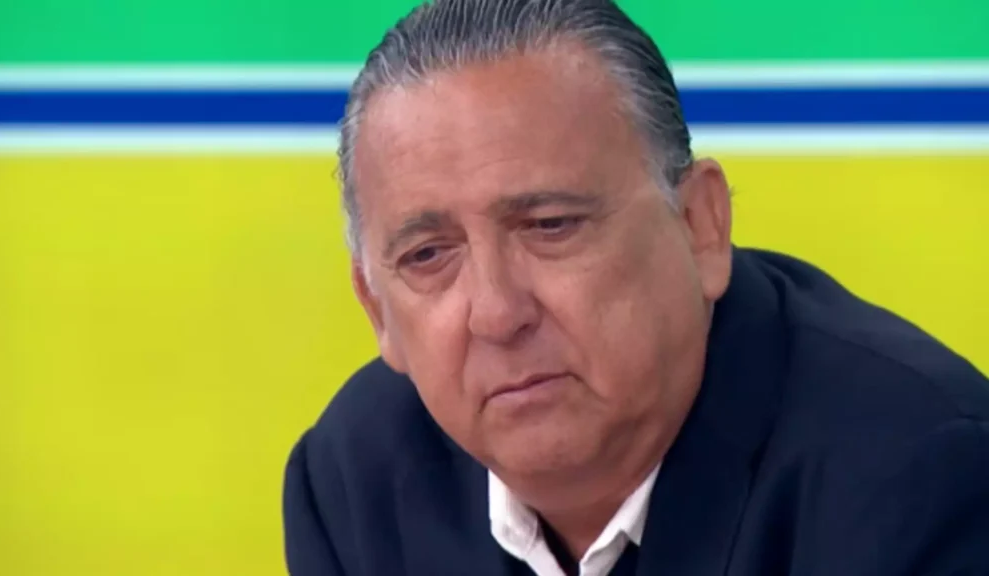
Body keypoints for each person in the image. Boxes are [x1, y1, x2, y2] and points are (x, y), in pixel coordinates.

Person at [282, 1, 989, 574]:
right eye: (429, 255)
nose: (497, 313)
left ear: (701, 226)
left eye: (550, 225)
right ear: (377, 310)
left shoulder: (922, 480)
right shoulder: (352, 482)